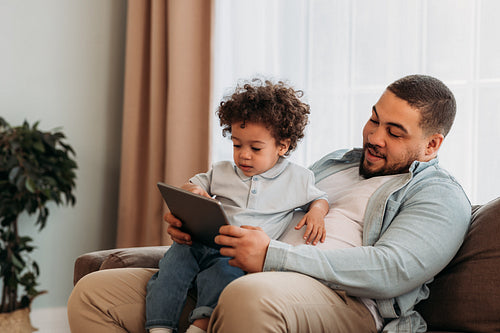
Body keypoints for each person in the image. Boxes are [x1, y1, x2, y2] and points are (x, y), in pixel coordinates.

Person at [67, 74, 471, 333]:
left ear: (432, 144)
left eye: (395, 132)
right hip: (237, 273)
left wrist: (273, 258)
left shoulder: (438, 195)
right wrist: (194, 219)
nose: (374, 136)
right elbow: (261, 203)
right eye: (374, 119)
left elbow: (392, 270)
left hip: (342, 300)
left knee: (251, 297)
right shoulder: (333, 164)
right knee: (95, 293)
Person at [145, 79, 329, 333]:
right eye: (237, 145)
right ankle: (159, 327)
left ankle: (200, 326)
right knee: (171, 265)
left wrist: (317, 212)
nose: (244, 154)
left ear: (282, 146)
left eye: (255, 148)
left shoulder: (297, 178)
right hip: (200, 239)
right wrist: (195, 191)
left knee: (222, 276)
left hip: (234, 253)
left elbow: (319, 198)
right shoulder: (220, 171)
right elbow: (191, 185)